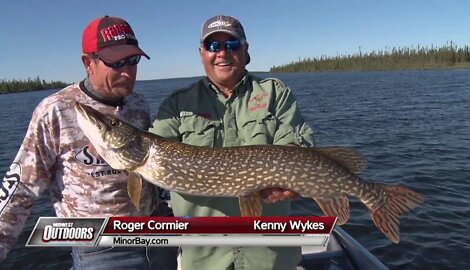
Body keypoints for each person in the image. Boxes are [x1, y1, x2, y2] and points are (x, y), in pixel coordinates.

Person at [0, 15, 177, 269]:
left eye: (133, 60)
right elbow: (22, 187)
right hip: (99, 247)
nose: (127, 71)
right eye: (115, 62)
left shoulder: (138, 104)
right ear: (88, 63)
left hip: (155, 236)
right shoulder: (55, 109)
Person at [149, 15, 314, 270]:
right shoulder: (178, 104)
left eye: (232, 45)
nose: (222, 53)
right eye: (214, 46)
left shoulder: (275, 93)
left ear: (246, 50)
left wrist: (290, 179)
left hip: (270, 255)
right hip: (205, 257)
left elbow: (294, 143)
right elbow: (157, 146)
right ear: (202, 53)